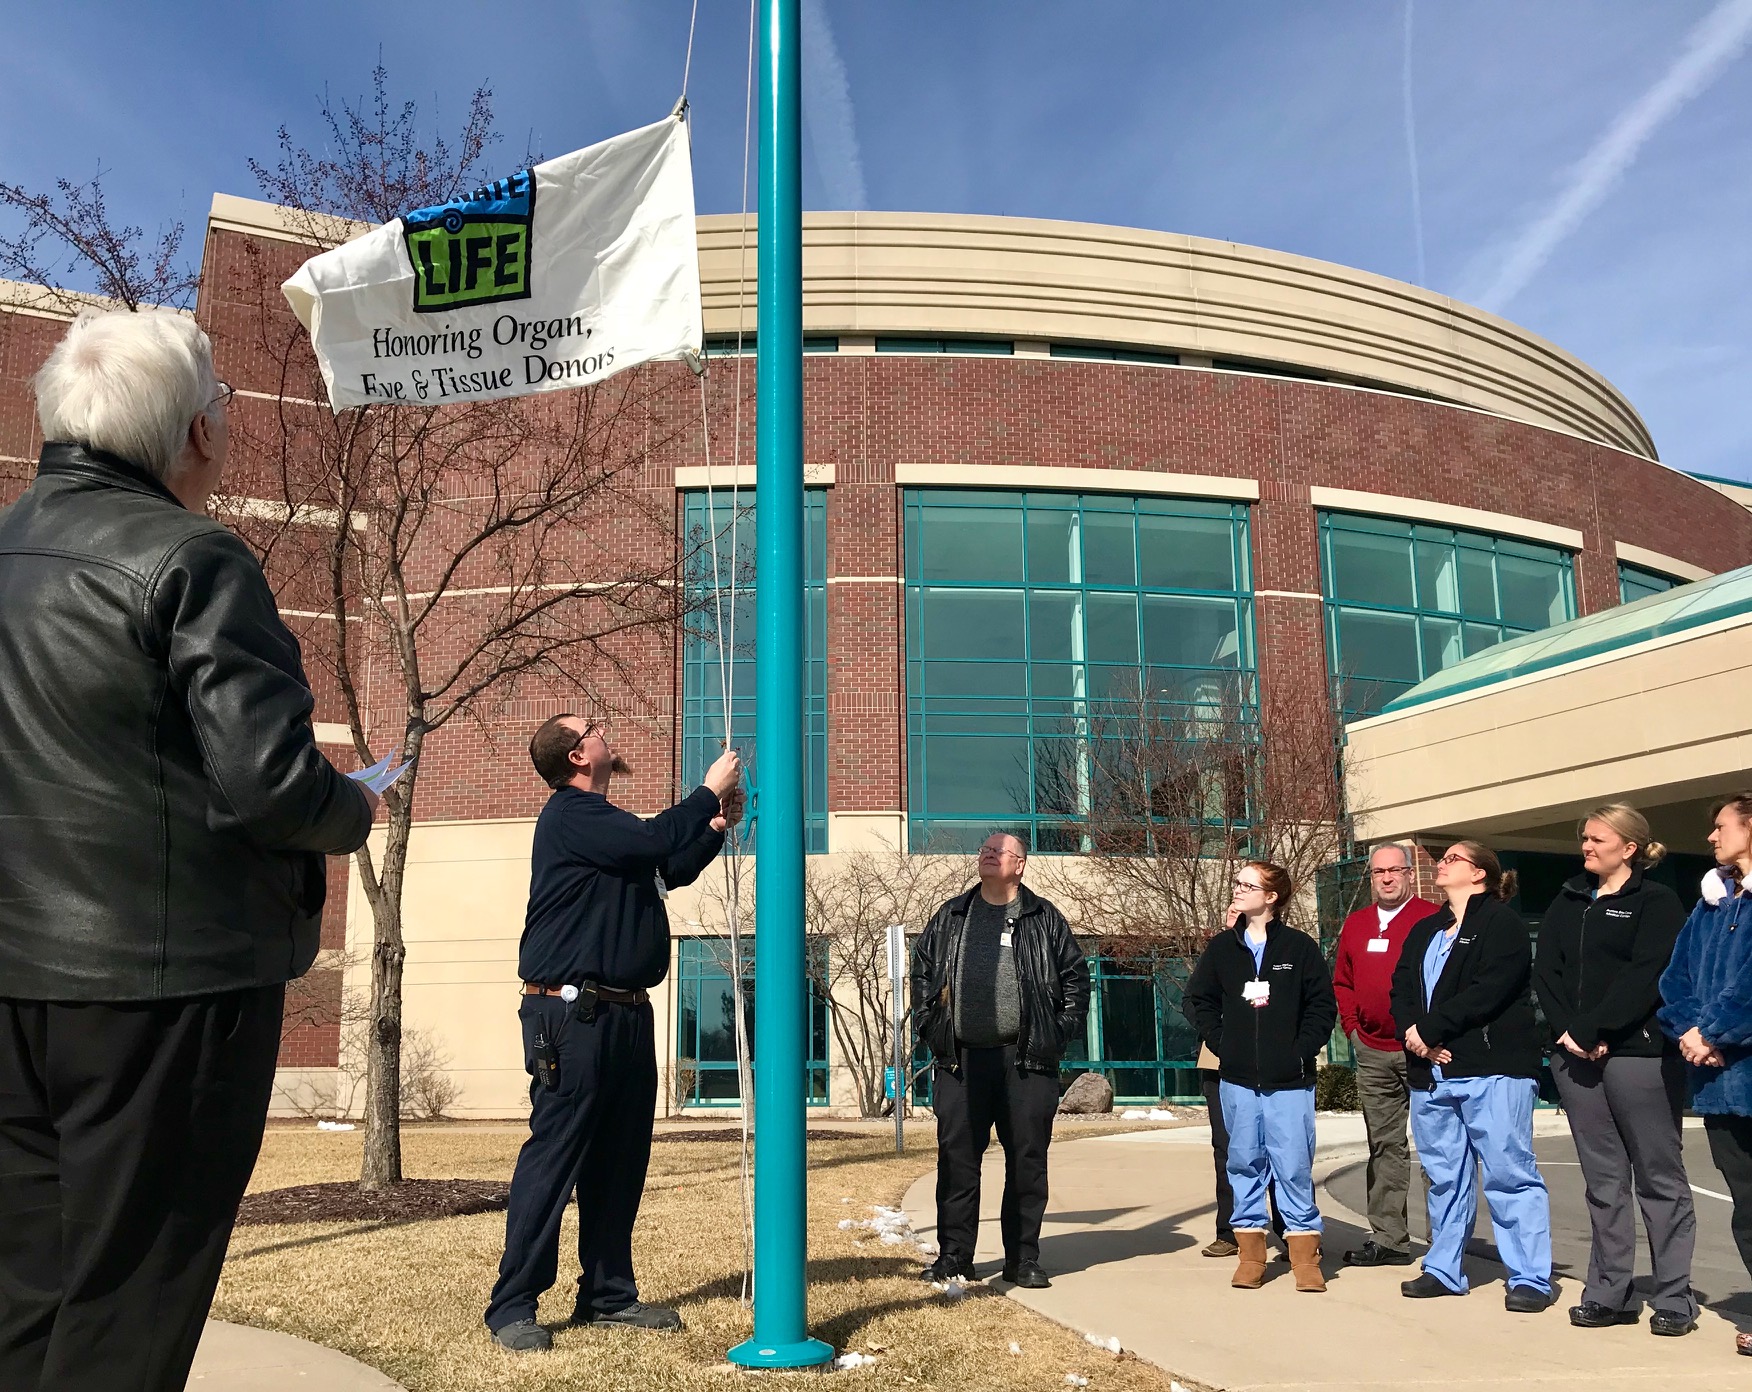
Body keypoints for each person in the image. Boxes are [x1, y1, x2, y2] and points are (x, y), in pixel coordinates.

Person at [0, 310, 377, 1392]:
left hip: (15, 983)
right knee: (129, 1304)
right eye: (223, 409)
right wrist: (352, 808)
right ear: (198, 433)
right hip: (165, 995)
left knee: (27, 1291)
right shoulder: (194, 557)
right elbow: (272, 783)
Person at [484, 717, 743, 1352]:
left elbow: (667, 867)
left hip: (626, 1013)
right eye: (593, 728)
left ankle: (607, 1296)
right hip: (571, 1016)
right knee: (556, 1156)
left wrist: (713, 828)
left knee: (620, 1161)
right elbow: (654, 838)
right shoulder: (571, 814)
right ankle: (513, 1305)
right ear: (577, 756)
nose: (605, 732)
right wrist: (707, 791)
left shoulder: (606, 829)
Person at [1535, 803, 1696, 1335]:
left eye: (1597, 839)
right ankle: (1610, 1292)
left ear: (1629, 847)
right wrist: (1569, 1032)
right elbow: (1547, 972)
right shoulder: (1568, 899)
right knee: (1603, 1181)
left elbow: (1650, 974)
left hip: (1638, 1054)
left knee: (1658, 1177)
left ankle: (1674, 1298)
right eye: (1584, 837)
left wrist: (1596, 1028)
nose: (1586, 846)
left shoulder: (1657, 901)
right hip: (1574, 1056)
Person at [911, 832, 1089, 1290]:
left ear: (1020, 865)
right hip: (961, 1061)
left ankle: (1022, 1258)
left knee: (1027, 1161)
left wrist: (1056, 1033)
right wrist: (931, 1025)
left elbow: (1075, 979)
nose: (989, 855)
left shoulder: (1044, 918)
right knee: (957, 1161)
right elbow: (923, 972)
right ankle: (954, 1256)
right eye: (985, 850)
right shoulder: (952, 915)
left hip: (1026, 1061)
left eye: (999, 851)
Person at [1391, 840, 1553, 1312]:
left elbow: (1490, 990)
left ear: (1480, 873)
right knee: (1444, 1177)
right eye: (1442, 859)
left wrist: (1430, 1029)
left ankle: (1530, 1278)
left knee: (1509, 1174)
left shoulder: (1502, 924)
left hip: (1492, 1069)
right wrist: (1414, 1035)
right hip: (1432, 1073)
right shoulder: (1426, 928)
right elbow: (1402, 986)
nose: (1442, 864)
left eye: (1453, 859)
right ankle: (1443, 1269)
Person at [1183, 862, 1337, 1293]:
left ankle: (1305, 1256)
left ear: (1271, 897)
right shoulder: (1222, 948)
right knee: (1244, 1163)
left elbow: (1322, 1006)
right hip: (1237, 1080)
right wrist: (1222, 1043)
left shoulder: (1299, 948)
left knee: (1293, 1165)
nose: (1237, 890)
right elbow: (1198, 1000)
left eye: (1247, 885)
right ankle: (1251, 1255)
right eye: (1237, 884)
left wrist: (1299, 1050)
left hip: (1290, 1082)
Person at [1659, 791, 1752, 1359]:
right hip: (1719, 1084)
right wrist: (1692, 1033)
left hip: (1738, 1061)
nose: (1712, 837)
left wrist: (1712, 1032)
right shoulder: (1710, 905)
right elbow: (1676, 979)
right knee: (1747, 1202)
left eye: (1722, 826)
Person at [1332, 843, 1438, 1267]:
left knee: (1436, 1148)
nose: (1388, 878)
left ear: (1410, 874)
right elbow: (1343, 981)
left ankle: (1444, 1244)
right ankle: (1390, 1239)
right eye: (1379, 872)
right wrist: (1352, 1029)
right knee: (1384, 1146)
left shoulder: (1432, 919)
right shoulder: (1357, 924)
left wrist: (1431, 1034)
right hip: (1372, 1050)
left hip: (1424, 1050)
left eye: (1395, 870)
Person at [1197, 1041, 1284, 1260]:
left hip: (1279, 1059)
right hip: (1220, 1060)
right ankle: (1230, 1232)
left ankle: (1294, 1233)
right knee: (1227, 1150)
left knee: (1284, 1151)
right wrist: (1219, 1040)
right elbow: (1198, 1015)